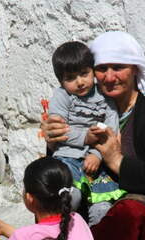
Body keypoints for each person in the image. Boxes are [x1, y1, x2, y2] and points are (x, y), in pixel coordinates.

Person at [41, 31, 145, 240]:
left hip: (140, 212)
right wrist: (53, 141)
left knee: (128, 212)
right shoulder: (82, 104)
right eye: (102, 68)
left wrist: (116, 161)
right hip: (87, 202)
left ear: (135, 69)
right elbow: (67, 159)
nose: (110, 76)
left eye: (119, 67)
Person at [47, 41, 125, 226]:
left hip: (97, 163)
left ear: (92, 71)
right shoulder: (62, 96)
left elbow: (111, 130)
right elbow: (59, 131)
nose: (80, 82)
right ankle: (62, 235)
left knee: (102, 207)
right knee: (69, 198)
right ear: (61, 81)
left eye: (84, 74)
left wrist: (97, 155)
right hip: (66, 157)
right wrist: (85, 137)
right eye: (71, 78)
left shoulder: (105, 97)